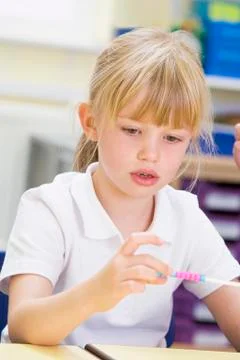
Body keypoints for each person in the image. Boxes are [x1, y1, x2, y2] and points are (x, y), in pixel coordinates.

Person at [0, 28, 240, 350]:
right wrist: (96, 293)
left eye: (172, 138)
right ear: (91, 122)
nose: (150, 154)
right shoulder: (49, 207)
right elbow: (22, 326)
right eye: (132, 130)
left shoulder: (185, 217)